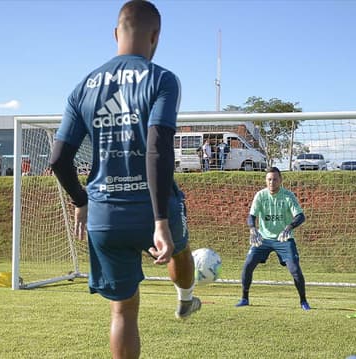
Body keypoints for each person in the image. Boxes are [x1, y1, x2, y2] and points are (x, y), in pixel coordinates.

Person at [49, 1, 200, 358]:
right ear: (155, 36)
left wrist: (81, 201)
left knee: (123, 312)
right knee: (180, 249)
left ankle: (184, 296)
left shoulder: (82, 86)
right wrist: (160, 221)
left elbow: (57, 159)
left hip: (105, 215)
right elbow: (157, 148)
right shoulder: (162, 78)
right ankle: (186, 297)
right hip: (152, 211)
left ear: (116, 34)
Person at [236, 166, 310, 310]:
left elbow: (301, 216)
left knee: (295, 269)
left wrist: (288, 228)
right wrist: (252, 229)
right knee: (248, 265)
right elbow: (251, 216)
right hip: (263, 239)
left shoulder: (288, 196)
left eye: (275, 179)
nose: (272, 182)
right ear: (266, 180)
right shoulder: (260, 195)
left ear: (280, 180)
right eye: (269, 179)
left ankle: (303, 301)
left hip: (283, 239)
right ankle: (244, 298)